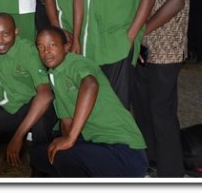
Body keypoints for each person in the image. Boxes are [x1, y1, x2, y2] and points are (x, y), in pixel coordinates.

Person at [30, 26, 148, 178]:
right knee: (39, 156)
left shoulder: (76, 63)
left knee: (65, 158)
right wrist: (66, 142)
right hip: (97, 145)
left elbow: (90, 85)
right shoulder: (55, 76)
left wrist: (71, 139)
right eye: (41, 47)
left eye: (52, 45)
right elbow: (66, 123)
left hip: (126, 152)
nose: (46, 51)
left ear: (66, 47)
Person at [132, 0, 192, 177]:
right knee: (142, 108)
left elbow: (177, 0)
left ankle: (171, 173)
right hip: (140, 45)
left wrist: (144, 28)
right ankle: (151, 162)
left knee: (161, 111)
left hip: (165, 44)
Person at [0, 14, 55, 168]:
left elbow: (46, 94)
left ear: (16, 31)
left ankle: (42, 168)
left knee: (40, 135)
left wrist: (17, 137)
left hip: (39, 103)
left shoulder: (28, 51)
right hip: (15, 103)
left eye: (6, 34)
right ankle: (25, 129)